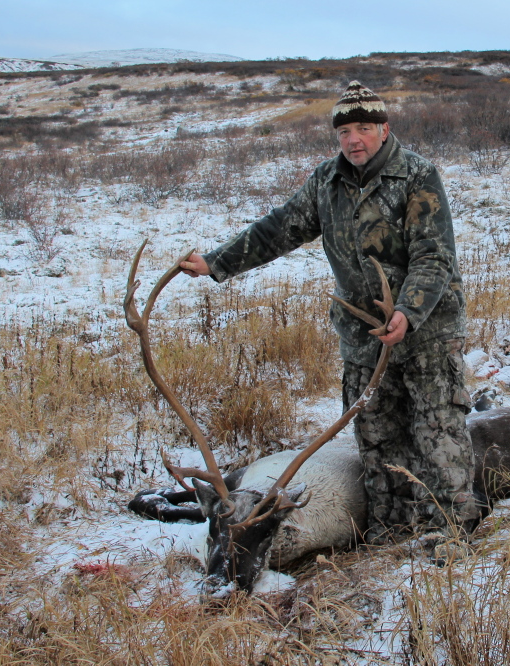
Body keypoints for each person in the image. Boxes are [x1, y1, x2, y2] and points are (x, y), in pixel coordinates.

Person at [179, 81, 479, 545]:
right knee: (376, 435)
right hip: (363, 335)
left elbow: (434, 256)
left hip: (426, 333)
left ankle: (449, 531)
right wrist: (216, 263)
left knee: (437, 430)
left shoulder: (417, 176)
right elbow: (278, 229)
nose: (353, 140)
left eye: (363, 128)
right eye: (344, 132)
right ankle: (390, 526)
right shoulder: (326, 181)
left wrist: (408, 310)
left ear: (383, 129)